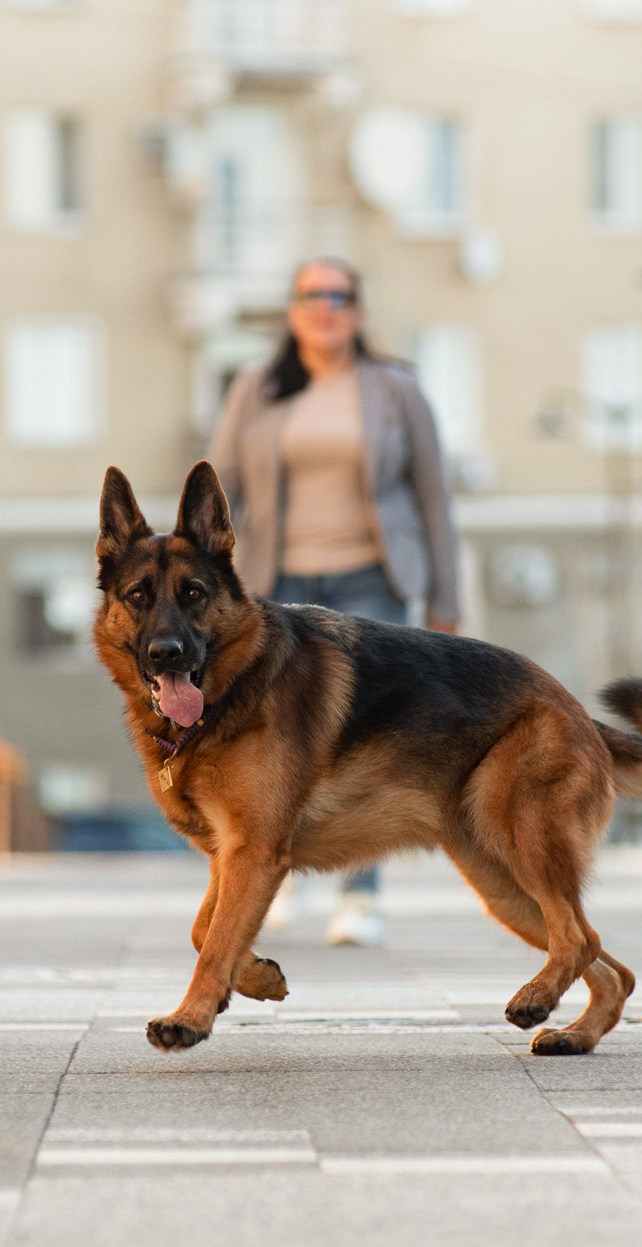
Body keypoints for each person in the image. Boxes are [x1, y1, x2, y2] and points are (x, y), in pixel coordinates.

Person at [207, 257, 461, 947]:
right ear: (292, 310)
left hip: (372, 582)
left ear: (358, 309)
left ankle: (362, 895)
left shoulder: (394, 388)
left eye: (339, 296)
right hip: (274, 590)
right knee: (268, 740)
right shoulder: (257, 387)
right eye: (312, 296)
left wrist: (446, 596)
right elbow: (220, 482)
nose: (326, 308)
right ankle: (274, 869)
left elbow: (433, 495)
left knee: (373, 741)